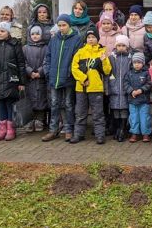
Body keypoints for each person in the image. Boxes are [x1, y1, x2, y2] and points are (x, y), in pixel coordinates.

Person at [41, 14, 82, 142]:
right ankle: (53, 130)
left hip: (68, 78)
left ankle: (69, 129)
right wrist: (48, 71)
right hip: (54, 77)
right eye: (59, 25)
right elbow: (47, 57)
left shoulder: (77, 39)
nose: (61, 28)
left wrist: (70, 72)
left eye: (64, 25)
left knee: (69, 104)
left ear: (69, 25)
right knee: (54, 104)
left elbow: (77, 59)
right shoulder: (54, 40)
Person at [0, 22, 27, 142]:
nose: (0, 33)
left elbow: (21, 64)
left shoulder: (15, 44)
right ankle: (2, 129)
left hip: (11, 80)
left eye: (2, 31)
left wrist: (22, 82)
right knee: (0, 105)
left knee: (10, 104)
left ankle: (11, 129)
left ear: (8, 32)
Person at [71, 29, 112, 144]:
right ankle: (79, 134)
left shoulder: (102, 52)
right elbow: (74, 68)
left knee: (98, 113)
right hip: (81, 88)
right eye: (89, 37)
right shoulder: (80, 52)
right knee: (80, 113)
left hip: (96, 88)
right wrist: (83, 78)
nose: (91, 39)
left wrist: (104, 61)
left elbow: (107, 71)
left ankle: (100, 135)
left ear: (97, 39)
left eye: (93, 37)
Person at [23, 26, 49, 133]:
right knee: (30, 99)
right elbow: (22, 62)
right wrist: (29, 72)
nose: (35, 36)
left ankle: (40, 119)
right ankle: (30, 120)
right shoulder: (25, 48)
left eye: (37, 34)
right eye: (33, 34)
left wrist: (40, 72)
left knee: (41, 99)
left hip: (41, 78)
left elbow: (47, 61)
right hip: (29, 79)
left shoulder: (46, 48)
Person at [107, 35, 132, 142]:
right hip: (114, 88)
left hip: (125, 89)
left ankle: (123, 128)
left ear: (127, 47)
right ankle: (117, 128)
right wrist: (109, 87)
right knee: (115, 109)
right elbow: (108, 73)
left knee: (124, 109)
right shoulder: (111, 58)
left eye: (123, 45)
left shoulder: (130, 58)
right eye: (119, 45)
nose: (121, 47)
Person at [124, 52, 152, 143]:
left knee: (145, 117)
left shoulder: (146, 73)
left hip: (144, 100)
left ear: (143, 63)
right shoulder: (129, 73)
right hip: (132, 100)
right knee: (133, 117)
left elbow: (149, 84)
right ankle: (134, 133)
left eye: (139, 62)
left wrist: (141, 90)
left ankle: (145, 134)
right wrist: (131, 91)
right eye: (135, 62)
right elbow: (125, 83)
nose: (137, 64)